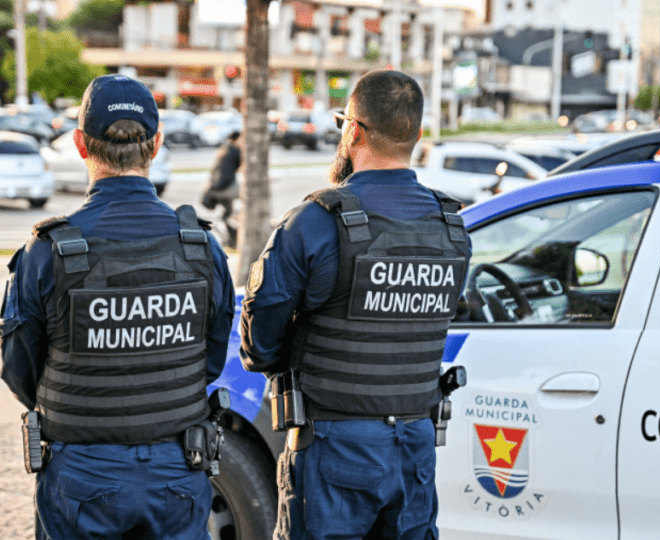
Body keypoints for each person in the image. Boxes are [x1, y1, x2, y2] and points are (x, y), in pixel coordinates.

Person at [0, 75, 235, 540]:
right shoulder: (201, 247)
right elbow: (210, 358)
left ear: (81, 145)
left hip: (82, 473)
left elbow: (18, 367)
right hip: (177, 468)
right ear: (157, 144)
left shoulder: (48, 250)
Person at [240, 70, 471, 540]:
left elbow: (258, 346)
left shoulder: (314, 223)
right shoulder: (451, 228)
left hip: (333, 448)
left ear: (353, 132)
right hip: (415, 450)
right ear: (417, 135)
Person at [201, 130, 242, 247]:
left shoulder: (223, 149)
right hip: (224, 189)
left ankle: (230, 240)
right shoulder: (234, 151)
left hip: (217, 187)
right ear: (236, 139)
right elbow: (234, 170)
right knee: (230, 215)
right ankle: (232, 240)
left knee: (227, 214)